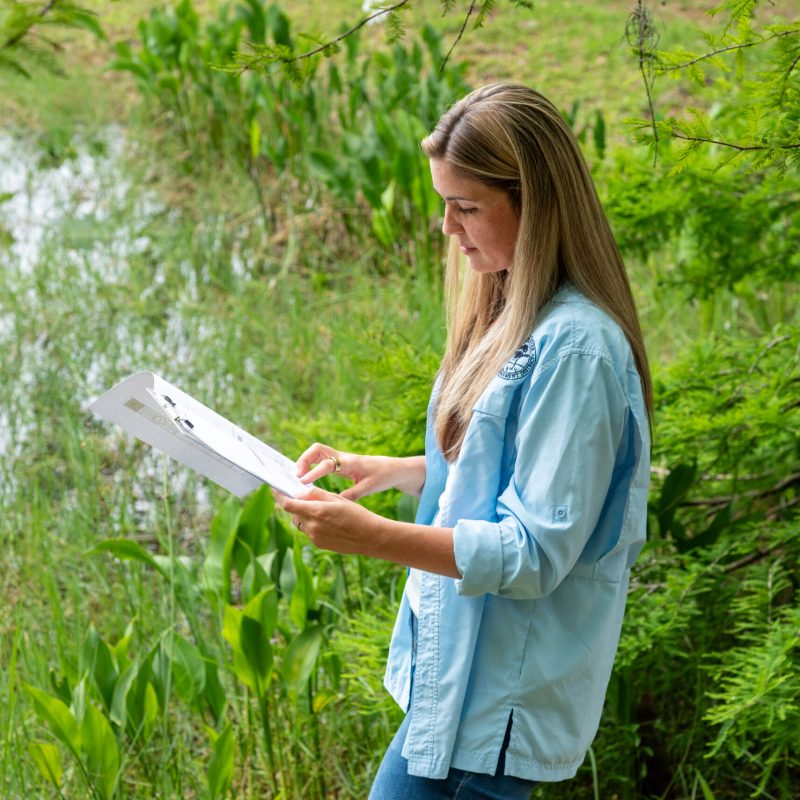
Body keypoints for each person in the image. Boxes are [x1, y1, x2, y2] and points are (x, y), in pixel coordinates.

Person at [274, 83, 652, 799]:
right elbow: (513, 465)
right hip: (453, 687)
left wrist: (376, 537)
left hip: (497, 706)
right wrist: (397, 470)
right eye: (444, 203)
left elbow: (535, 551)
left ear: (534, 203)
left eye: (467, 206)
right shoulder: (510, 304)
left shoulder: (576, 349)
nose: (448, 227)